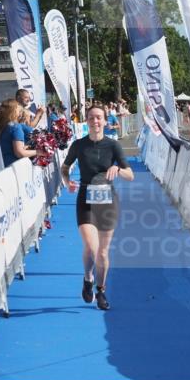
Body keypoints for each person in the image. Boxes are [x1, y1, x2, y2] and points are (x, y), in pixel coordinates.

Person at [61, 104, 134, 311]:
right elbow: (64, 168)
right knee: (91, 248)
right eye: (91, 118)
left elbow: (130, 175)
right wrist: (67, 182)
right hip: (85, 198)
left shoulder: (113, 146)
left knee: (102, 253)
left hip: (108, 201)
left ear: (105, 120)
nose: (95, 121)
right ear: (86, 120)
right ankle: (87, 278)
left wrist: (117, 168)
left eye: (99, 118)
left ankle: (100, 290)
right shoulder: (78, 145)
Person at [0, 99, 44, 166]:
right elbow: (19, 153)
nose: (20, 111)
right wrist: (38, 152)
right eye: (18, 109)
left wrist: (26, 147)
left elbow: (9, 147)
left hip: (2, 165)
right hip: (14, 167)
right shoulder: (16, 127)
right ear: (13, 111)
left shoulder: (3, 125)